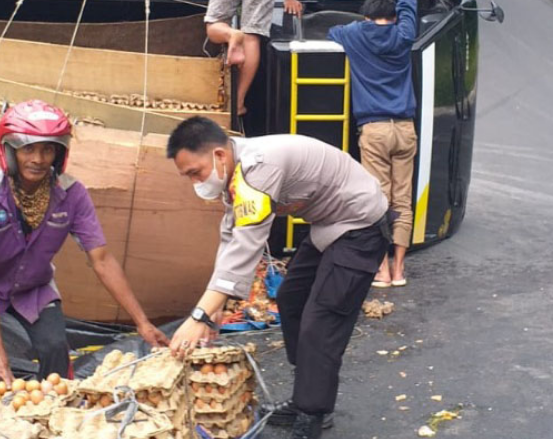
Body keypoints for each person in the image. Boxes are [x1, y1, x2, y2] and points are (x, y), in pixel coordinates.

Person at [0, 100, 169, 431]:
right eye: (28, 149)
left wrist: (142, 323)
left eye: (48, 150)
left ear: (60, 153)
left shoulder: (72, 195)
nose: (38, 159)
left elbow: (101, 259)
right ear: (8, 150)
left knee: (55, 350)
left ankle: (57, 425)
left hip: (33, 287)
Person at [166, 117, 392, 439]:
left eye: (195, 173)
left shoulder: (258, 169)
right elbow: (231, 237)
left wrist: (199, 315)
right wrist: (215, 306)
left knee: (321, 319)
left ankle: (313, 414)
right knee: (291, 298)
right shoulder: (236, 173)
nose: (195, 183)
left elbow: (248, 243)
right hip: (330, 225)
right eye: (187, 176)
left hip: (360, 224)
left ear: (217, 155)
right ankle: (307, 395)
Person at [328, 0, 418, 288]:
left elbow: (333, 29)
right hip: (405, 129)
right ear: (393, 17)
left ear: (367, 17)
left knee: (377, 200)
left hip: (375, 129)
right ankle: (399, 270)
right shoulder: (404, 33)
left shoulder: (354, 35)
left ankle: (379, 269)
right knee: (402, 199)